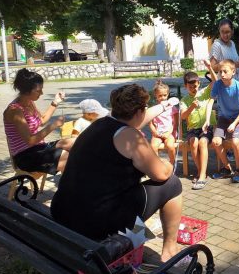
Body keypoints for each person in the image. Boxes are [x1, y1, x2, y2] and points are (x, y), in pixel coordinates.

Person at [51, 84, 182, 262]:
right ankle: (169, 251)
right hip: (95, 223)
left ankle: (136, 238)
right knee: (173, 184)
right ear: (139, 111)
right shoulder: (130, 136)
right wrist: (166, 164)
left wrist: (164, 106)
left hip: (63, 212)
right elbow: (161, 174)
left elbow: (139, 118)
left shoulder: (99, 124)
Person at [3, 68, 74, 175]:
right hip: (25, 157)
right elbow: (30, 140)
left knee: (75, 143)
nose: (41, 93)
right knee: (65, 157)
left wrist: (55, 102)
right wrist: (54, 125)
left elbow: (42, 120)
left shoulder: (29, 103)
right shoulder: (15, 110)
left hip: (39, 148)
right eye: (38, 90)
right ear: (27, 91)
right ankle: (73, 182)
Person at [202, 59, 239, 183]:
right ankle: (227, 168)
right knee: (216, 142)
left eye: (225, 71)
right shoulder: (217, 85)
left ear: (233, 72)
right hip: (223, 118)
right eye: (220, 72)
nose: (222, 74)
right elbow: (210, 102)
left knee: (235, 142)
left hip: (237, 118)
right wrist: (207, 120)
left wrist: (234, 123)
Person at [179, 59, 218, 190]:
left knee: (202, 142)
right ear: (185, 86)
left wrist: (210, 67)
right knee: (193, 142)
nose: (193, 89)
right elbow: (183, 116)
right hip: (193, 129)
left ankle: (201, 176)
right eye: (190, 87)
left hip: (207, 128)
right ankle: (201, 171)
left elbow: (216, 82)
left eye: (195, 86)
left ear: (199, 84)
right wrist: (191, 107)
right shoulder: (184, 100)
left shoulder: (204, 92)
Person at [149, 80, 179, 165]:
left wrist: (169, 132)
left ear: (168, 94)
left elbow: (175, 123)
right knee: (153, 146)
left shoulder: (172, 108)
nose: (162, 97)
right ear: (155, 95)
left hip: (169, 133)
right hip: (157, 133)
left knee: (170, 145)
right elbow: (150, 123)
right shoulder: (154, 109)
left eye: (164, 95)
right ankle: (158, 165)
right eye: (160, 95)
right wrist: (154, 132)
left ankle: (172, 164)